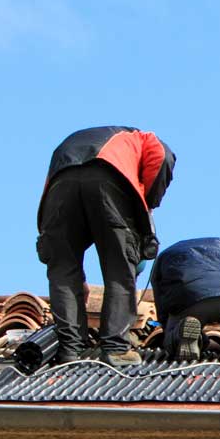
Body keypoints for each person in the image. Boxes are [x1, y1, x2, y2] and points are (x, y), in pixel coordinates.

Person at [37, 126, 175, 366]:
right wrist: (150, 204)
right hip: (108, 180)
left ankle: (70, 350)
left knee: (62, 271)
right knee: (119, 270)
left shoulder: (71, 142)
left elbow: (54, 198)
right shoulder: (142, 137)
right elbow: (161, 156)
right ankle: (115, 348)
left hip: (60, 187)